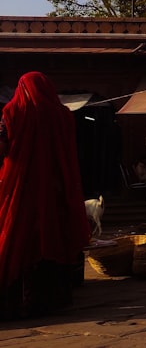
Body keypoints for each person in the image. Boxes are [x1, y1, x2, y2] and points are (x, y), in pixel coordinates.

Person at [0, 72, 91, 320]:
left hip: (20, 188)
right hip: (54, 190)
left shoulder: (12, 112)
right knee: (53, 238)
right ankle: (51, 299)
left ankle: (19, 301)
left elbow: (3, 148)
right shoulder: (62, 114)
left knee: (18, 238)